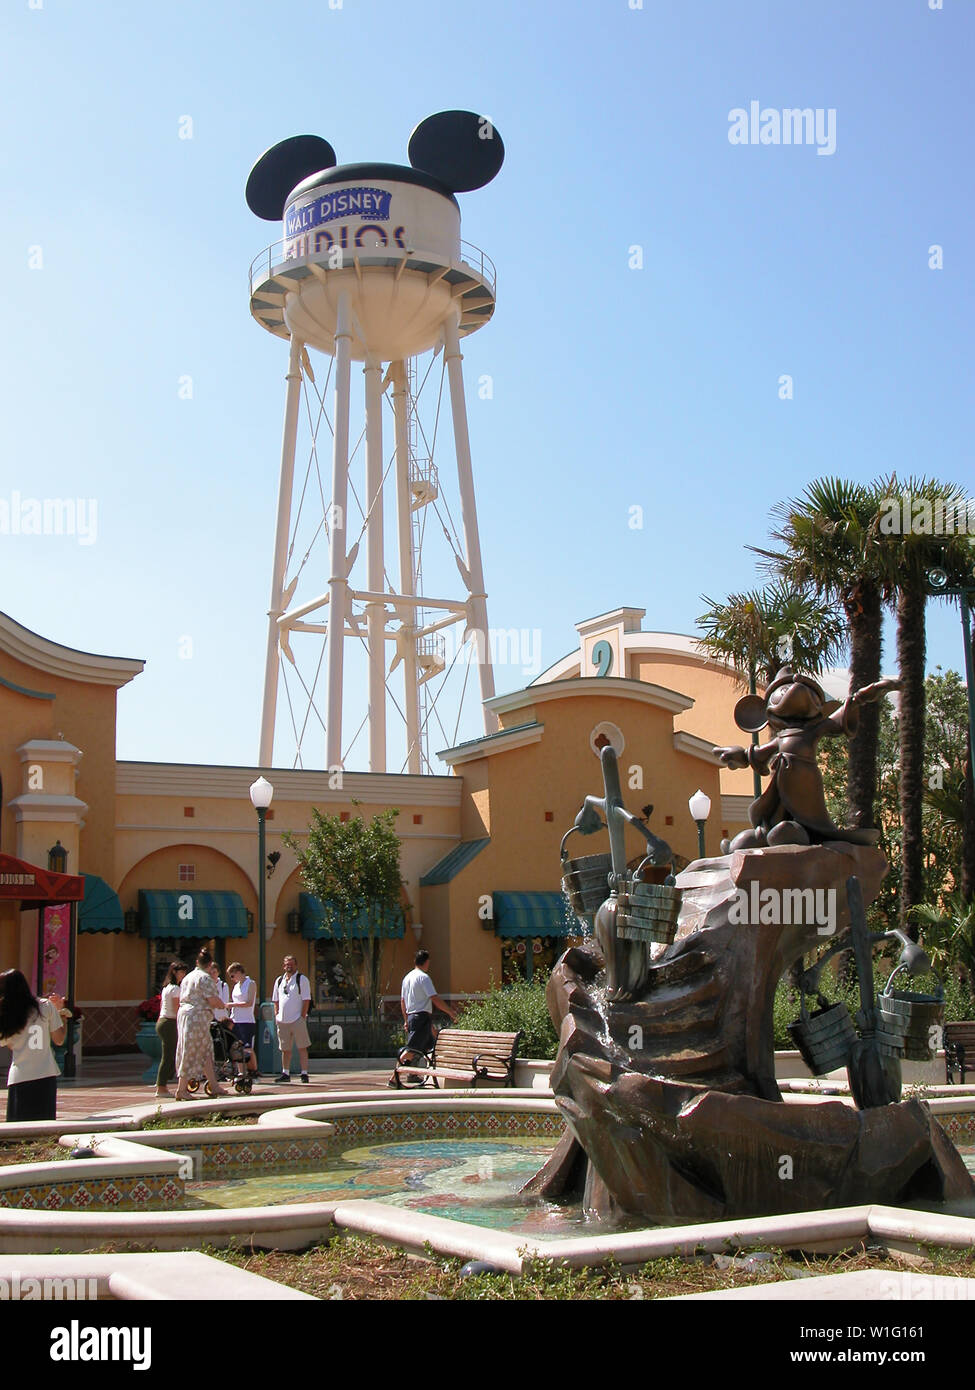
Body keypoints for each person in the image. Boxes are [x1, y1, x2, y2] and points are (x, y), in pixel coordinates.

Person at [0, 969, 67, 1121]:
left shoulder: (6, 1014)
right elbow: (59, 1039)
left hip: (19, 1076)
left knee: (19, 1131)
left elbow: (9, 1044)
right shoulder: (45, 1006)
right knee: (44, 1127)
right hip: (45, 1074)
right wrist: (61, 1012)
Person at [174, 949, 228, 1100]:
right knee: (190, 1050)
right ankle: (181, 1089)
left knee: (205, 1050)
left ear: (197, 962)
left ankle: (214, 1085)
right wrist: (222, 1005)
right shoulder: (205, 978)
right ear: (210, 964)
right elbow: (212, 1000)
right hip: (196, 1017)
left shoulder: (188, 977)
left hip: (186, 1014)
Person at [395, 950, 457, 1083]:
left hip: (414, 1017)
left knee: (431, 1045)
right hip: (421, 1017)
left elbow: (403, 1001)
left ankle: (415, 1074)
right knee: (412, 1049)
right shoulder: (423, 977)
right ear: (427, 962)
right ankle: (394, 1077)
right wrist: (450, 1012)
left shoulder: (407, 978)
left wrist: (406, 1020)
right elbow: (434, 997)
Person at [271, 954, 311, 1083]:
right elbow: (275, 1000)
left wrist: (302, 1016)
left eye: (292, 964)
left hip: (297, 1019)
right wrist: (276, 1015)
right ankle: (285, 1073)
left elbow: (306, 999)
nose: (289, 966)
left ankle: (304, 1073)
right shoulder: (279, 981)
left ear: (296, 965)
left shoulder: (302, 979)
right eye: (287, 964)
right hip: (282, 1020)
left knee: (302, 1047)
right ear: (283, 966)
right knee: (285, 1049)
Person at [154, 960, 187, 1098]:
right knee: (168, 1056)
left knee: (169, 1054)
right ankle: (161, 1087)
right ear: (174, 972)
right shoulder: (175, 989)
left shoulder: (166, 987)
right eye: (181, 972)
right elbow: (177, 1009)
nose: (183, 975)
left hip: (163, 1021)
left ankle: (163, 1084)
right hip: (169, 1022)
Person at [227, 961, 258, 1076]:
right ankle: (241, 1072)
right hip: (236, 1019)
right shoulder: (236, 986)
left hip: (247, 1020)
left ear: (239, 972)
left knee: (247, 1048)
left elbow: (249, 1002)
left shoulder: (250, 983)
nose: (232, 978)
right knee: (237, 1048)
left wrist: (232, 1005)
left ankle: (253, 1070)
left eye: (233, 975)